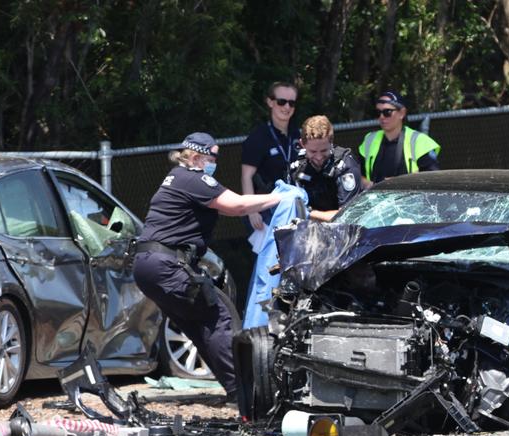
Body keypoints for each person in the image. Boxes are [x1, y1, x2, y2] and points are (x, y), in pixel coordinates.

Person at [133, 132, 281, 404]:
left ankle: (239, 393)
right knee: (219, 317)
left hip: (147, 266)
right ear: (198, 155)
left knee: (198, 324)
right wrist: (276, 198)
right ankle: (252, 397)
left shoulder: (176, 179)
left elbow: (223, 207)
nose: (215, 162)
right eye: (213, 156)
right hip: (165, 264)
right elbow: (235, 206)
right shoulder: (193, 177)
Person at [241, 81, 300, 230]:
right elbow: (246, 176)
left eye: (291, 103)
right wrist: (252, 210)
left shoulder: (297, 134)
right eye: (282, 102)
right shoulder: (258, 137)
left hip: (294, 204)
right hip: (266, 209)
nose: (287, 107)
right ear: (270, 102)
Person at [358, 90, 441, 189]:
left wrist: (401, 183)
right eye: (378, 112)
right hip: (375, 201)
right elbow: (356, 173)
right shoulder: (369, 140)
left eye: (387, 112)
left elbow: (433, 178)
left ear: (402, 113)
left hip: (410, 201)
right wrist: (368, 184)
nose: (381, 117)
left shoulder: (419, 141)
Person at [290, 115, 362, 222]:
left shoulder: (345, 165)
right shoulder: (297, 167)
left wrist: (309, 213)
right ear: (302, 144)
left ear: (331, 143)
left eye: (324, 151)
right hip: (308, 230)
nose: (319, 157)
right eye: (313, 151)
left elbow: (347, 216)